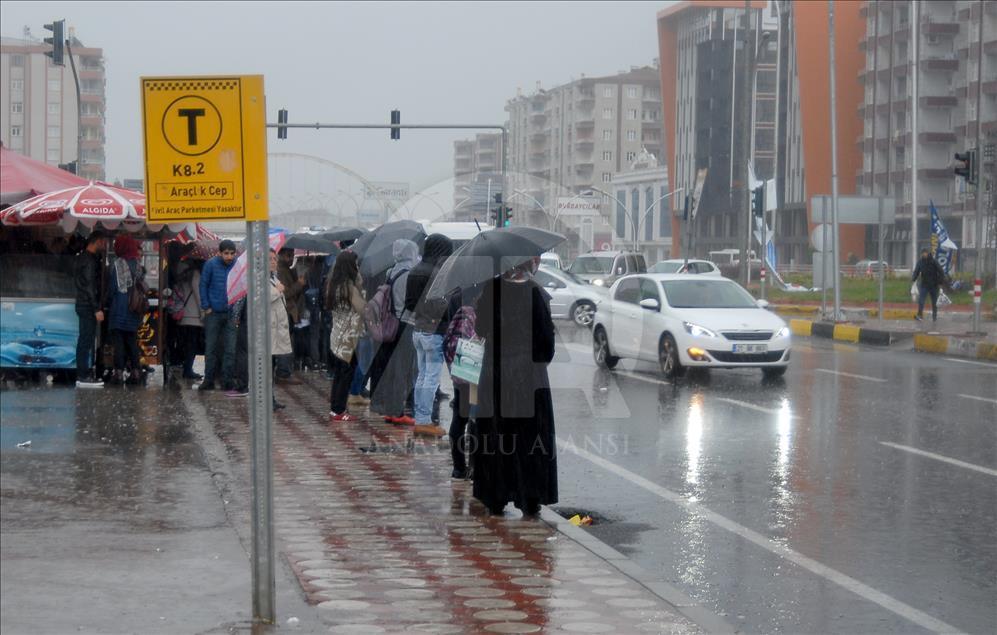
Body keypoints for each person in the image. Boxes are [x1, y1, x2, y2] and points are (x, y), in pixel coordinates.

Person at [471, 257, 557, 517]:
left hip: (495, 372)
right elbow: (546, 343)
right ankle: (529, 498)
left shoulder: (490, 289)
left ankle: (495, 496)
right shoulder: (536, 292)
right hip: (529, 376)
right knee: (530, 439)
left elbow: (481, 328)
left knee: (495, 436)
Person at [405, 234, 455, 436]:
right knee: (431, 378)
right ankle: (424, 420)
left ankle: (420, 417)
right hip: (434, 332)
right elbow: (440, 305)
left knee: (423, 376)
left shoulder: (415, 270)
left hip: (418, 329)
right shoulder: (436, 273)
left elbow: (409, 303)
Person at [369, 239, 420, 425]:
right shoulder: (409, 273)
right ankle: (398, 411)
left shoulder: (391, 271)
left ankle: (389, 408)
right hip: (405, 325)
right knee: (403, 369)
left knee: (391, 368)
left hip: (390, 325)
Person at [325, 250, 366, 422]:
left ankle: (336, 409)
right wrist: (362, 288)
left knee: (340, 374)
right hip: (347, 338)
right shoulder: (349, 287)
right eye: (356, 264)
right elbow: (362, 308)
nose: (357, 267)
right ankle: (339, 410)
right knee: (345, 374)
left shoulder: (333, 284)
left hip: (338, 335)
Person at [105, 234, 146, 386]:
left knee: (119, 342)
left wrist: (106, 302)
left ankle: (119, 373)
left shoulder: (118, 264)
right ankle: (136, 372)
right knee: (131, 341)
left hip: (119, 307)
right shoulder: (138, 264)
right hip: (134, 308)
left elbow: (113, 288)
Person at [198, 239, 238, 391]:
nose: (229, 257)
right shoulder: (210, 264)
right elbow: (203, 285)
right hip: (213, 312)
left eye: (231, 254)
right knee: (211, 348)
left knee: (230, 349)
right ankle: (209, 379)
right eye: (226, 253)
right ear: (219, 253)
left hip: (231, 313)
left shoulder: (236, 265)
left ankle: (227, 380)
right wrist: (206, 306)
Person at [74, 231, 108, 388]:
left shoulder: (84, 258)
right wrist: (96, 308)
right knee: (86, 339)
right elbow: (89, 286)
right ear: (97, 241)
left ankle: (83, 373)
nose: (104, 245)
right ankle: (82, 375)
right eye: (103, 242)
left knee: (85, 339)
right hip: (87, 306)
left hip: (84, 304)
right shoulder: (88, 261)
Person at [173, 253, 204, 380]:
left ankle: (186, 368)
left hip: (185, 313)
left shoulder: (183, 273)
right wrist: (202, 310)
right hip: (193, 315)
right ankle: (188, 370)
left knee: (188, 343)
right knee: (192, 343)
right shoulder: (196, 274)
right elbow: (197, 293)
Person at [276, 248, 304, 382]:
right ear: (280, 255)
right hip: (285, 311)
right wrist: (299, 284)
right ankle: (284, 371)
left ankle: (284, 370)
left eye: (292, 256)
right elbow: (285, 294)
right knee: (285, 343)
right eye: (288, 256)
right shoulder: (280, 271)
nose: (291, 259)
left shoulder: (286, 270)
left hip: (289, 311)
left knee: (287, 342)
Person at [912, 248, 947, 322]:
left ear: (928, 253)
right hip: (924, 285)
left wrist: (940, 282)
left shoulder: (934, 261)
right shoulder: (920, 262)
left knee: (934, 302)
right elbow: (916, 271)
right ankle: (920, 315)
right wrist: (913, 279)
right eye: (922, 253)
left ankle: (934, 316)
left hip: (934, 285)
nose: (924, 254)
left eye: (925, 253)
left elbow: (941, 271)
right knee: (921, 300)